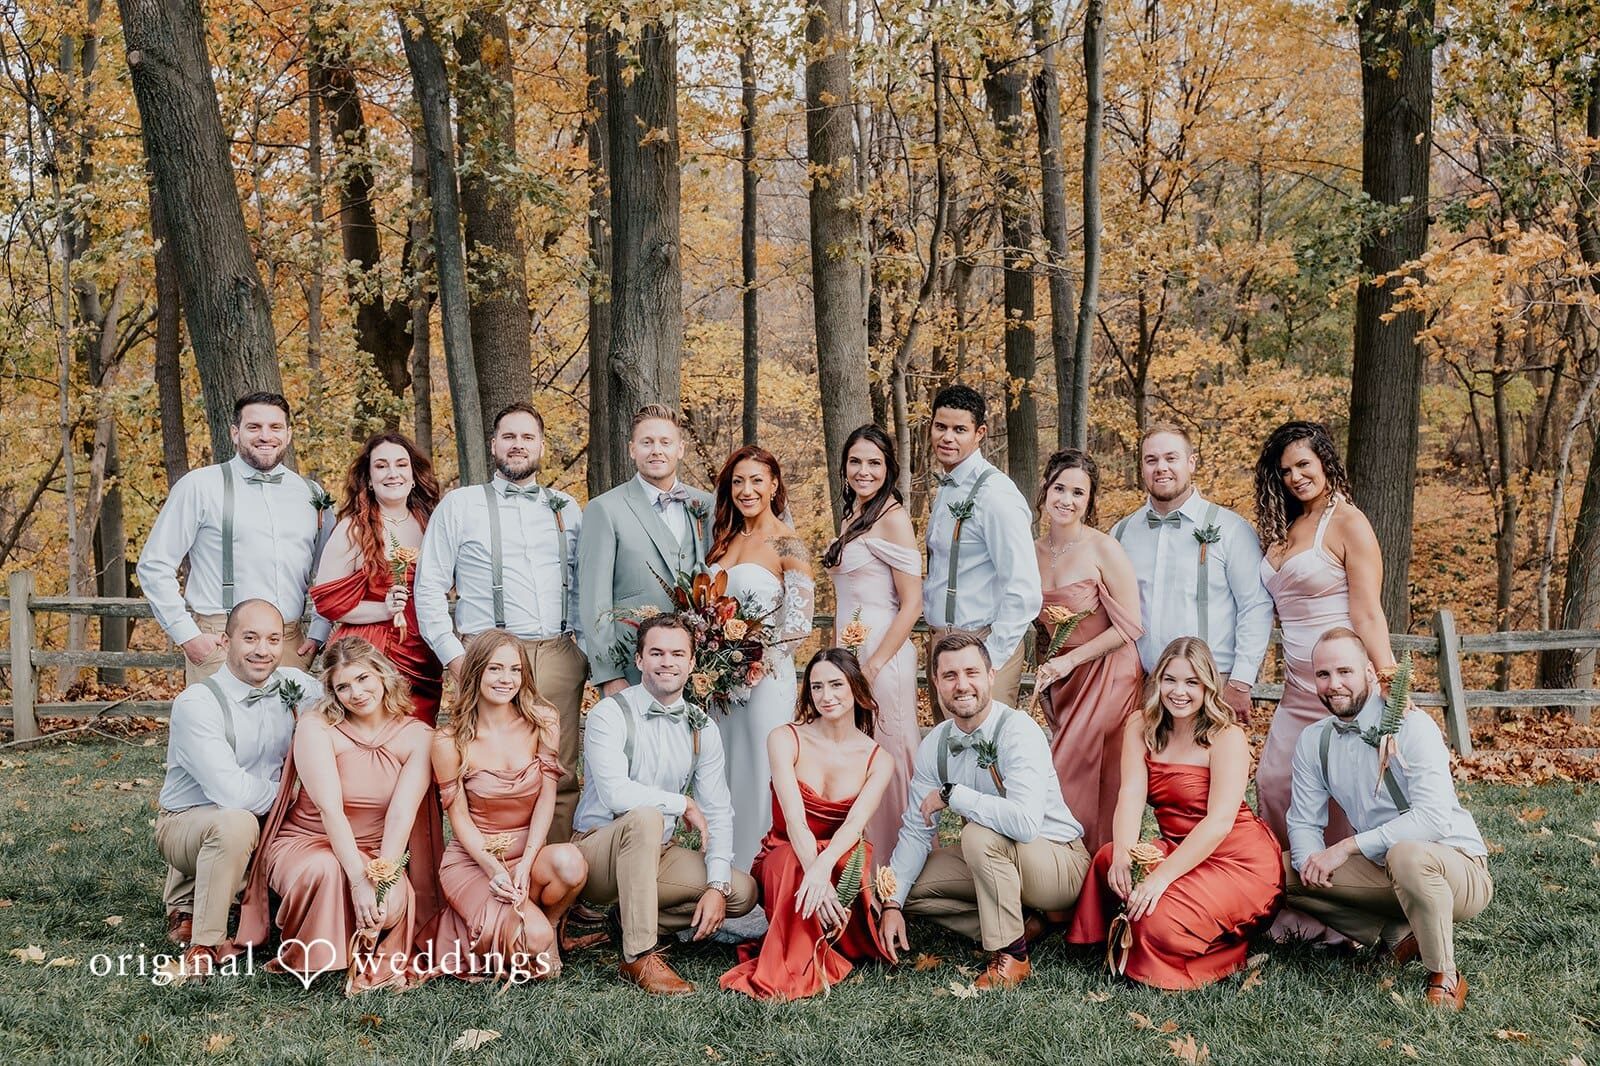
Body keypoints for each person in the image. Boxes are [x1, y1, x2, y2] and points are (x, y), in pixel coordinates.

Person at [1286, 628, 1492, 1010]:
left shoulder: (1414, 725)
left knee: (1407, 854)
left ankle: (1445, 973)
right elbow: (1302, 821)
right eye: (1323, 675)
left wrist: (1345, 848)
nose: (1334, 685)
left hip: (1457, 869)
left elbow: (1433, 819)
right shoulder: (1314, 740)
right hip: (1383, 869)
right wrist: (1310, 861)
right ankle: (1398, 936)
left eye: (1344, 672)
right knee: (1283, 873)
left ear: (1369, 671)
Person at [414, 402, 587, 843]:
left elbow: (581, 582)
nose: (518, 445)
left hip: (556, 652)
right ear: (493, 445)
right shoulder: (459, 505)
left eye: (527, 437)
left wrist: (581, 650)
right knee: (485, 770)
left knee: (558, 770)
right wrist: (455, 657)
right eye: (508, 436)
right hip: (486, 656)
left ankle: (552, 878)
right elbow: (429, 587)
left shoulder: (566, 508)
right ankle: (486, 873)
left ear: (542, 446)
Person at [1066, 638, 1283, 989]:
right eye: (1170, 679)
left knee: (1155, 916)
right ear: (1158, 681)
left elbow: (1218, 824)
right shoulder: (1141, 725)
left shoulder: (1227, 737)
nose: (1179, 692)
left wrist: (1159, 877)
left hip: (1236, 860)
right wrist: (1124, 852)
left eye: (1192, 682)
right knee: (1108, 861)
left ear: (1207, 686)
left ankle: (1223, 952)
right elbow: (1131, 794)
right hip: (1178, 847)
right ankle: (1115, 934)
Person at [879, 631, 1089, 991]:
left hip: (1057, 863)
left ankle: (1013, 955)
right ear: (937, 683)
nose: (962, 685)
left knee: (977, 835)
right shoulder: (936, 745)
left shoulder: (1019, 730)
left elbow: (1024, 824)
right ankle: (1025, 922)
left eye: (971, 673)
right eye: (950, 676)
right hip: (996, 860)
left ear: (991, 676)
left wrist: (953, 795)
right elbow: (916, 830)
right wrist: (892, 905)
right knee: (901, 885)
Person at [236, 637, 444, 992]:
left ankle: (364, 944)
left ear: (382, 675)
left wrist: (381, 875)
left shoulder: (419, 736)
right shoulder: (317, 727)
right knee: (327, 870)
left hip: (376, 849)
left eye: (363, 679)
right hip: (307, 841)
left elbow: (401, 815)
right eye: (343, 687)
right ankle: (315, 955)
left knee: (388, 904)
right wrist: (358, 880)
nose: (357, 693)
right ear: (332, 692)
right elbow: (329, 810)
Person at [572, 614, 759, 994]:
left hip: (659, 855)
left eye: (677, 654)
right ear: (639, 660)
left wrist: (716, 886)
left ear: (692, 663)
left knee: (742, 892)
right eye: (656, 653)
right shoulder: (609, 714)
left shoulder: (700, 726)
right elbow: (615, 794)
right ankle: (638, 956)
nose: (667, 662)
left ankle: (632, 918)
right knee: (645, 818)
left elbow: (719, 809)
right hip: (598, 854)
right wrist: (681, 803)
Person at [153, 599, 322, 981]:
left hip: (266, 813)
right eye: (250, 638)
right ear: (225, 641)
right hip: (190, 823)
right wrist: (295, 801)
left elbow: (345, 696)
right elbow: (231, 791)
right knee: (236, 823)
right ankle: (206, 943)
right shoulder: (197, 702)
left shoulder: (293, 687)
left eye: (273, 639)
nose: (262, 650)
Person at [1253, 421, 1397, 845]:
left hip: (1343, 684)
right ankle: (1289, 886)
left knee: (1342, 790)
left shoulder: (1349, 523)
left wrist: (1390, 684)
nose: (1295, 477)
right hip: (1298, 688)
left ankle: (1342, 892)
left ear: (1325, 462)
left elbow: (1369, 612)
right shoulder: (1289, 525)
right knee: (1275, 782)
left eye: (1303, 464)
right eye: (1285, 471)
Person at [721, 649, 895, 1000]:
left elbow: (854, 826)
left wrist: (824, 869)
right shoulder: (785, 738)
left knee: (845, 862)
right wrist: (815, 872)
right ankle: (794, 957)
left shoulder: (879, 759)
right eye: (816, 687)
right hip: (785, 851)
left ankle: (835, 937)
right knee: (791, 864)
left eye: (835, 685)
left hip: (839, 858)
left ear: (855, 687)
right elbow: (796, 822)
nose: (825, 696)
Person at [136, 392, 332, 683]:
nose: (265, 436)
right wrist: (187, 635)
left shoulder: (311, 494)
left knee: (291, 729)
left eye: (275, 427)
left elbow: (330, 573)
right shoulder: (199, 487)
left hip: (290, 644)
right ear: (235, 433)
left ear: (288, 434)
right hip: (220, 643)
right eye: (254, 427)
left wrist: (318, 633)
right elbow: (154, 565)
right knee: (219, 730)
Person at [431, 630, 589, 981]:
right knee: (530, 939)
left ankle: (548, 925)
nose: (507, 680)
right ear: (475, 673)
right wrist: (494, 870)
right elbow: (459, 820)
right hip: (474, 860)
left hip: (526, 853)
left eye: (515, 670)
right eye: (495, 669)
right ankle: (531, 930)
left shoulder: (543, 721)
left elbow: (547, 797)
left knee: (571, 863)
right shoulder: (448, 740)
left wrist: (528, 860)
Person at [1109, 423, 1273, 724]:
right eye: (1151, 460)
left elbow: (1255, 606)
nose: (1161, 468)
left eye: (1171, 458)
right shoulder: (1120, 534)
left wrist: (1240, 681)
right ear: (1142, 467)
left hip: (1214, 685)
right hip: (1142, 687)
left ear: (1191, 462)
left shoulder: (1231, 529)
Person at [705, 445, 815, 869]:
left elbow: (799, 623)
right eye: (737, 482)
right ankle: (721, 875)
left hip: (763, 679)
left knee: (759, 770)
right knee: (722, 769)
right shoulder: (724, 540)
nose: (746, 490)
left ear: (773, 485)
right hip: (719, 682)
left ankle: (763, 872)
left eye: (756, 480)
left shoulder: (789, 543)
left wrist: (752, 661)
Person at [1030, 449, 1144, 852]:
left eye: (1078, 492)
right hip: (1065, 680)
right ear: (1044, 490)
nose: (1066, 499)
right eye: (1059, 488)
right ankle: (1065, 878)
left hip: (1110, 671)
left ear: (1089, 500)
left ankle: (1088, 866)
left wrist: (1072, 659)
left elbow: (1131, 623)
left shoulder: (1103, 548)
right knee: (1078, 774)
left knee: (1072, 773)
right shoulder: (1032, 552)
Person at [822, 425, 921, 858]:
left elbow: (912, 604)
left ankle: (898, 858)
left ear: (889, 469)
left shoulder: (893, 519)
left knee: (890, 748)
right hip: (851, 651)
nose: (864, 471)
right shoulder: (854, 515)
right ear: (844, 468)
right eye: (856, 461)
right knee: (860, 750)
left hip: (884, 653)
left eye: (875, 463)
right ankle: (864, 851)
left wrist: (875, 664)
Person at [309, 433, 444, 724]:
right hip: (371, 653)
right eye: (381, 466)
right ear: (369, 478)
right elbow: (327, 603)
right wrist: (383, 609)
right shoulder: (353, 529)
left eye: (401, 465)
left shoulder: (432, 523)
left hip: (424, 652)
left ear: (413, 475)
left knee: (418, 740)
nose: (392, 473)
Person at [579, 404, 714, 695]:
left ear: (680, 449)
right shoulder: (604, 509)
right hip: (631, 669)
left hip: (700, 668)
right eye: (646, 442)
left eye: (665, 442)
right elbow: (594, 601)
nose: (656, 450)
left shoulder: (705, 505)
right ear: (631, 449)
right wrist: (608, 675)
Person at [923, 385, 1042, 711]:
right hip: (941, 648)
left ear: (980, 433)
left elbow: (1024, 589)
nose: (948, 437)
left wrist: (990, 660)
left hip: (983, 648)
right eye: (941, 427)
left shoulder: (995, 494)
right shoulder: (947, 488)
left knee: (985, 754)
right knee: (951, 755)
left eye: (960, 429)